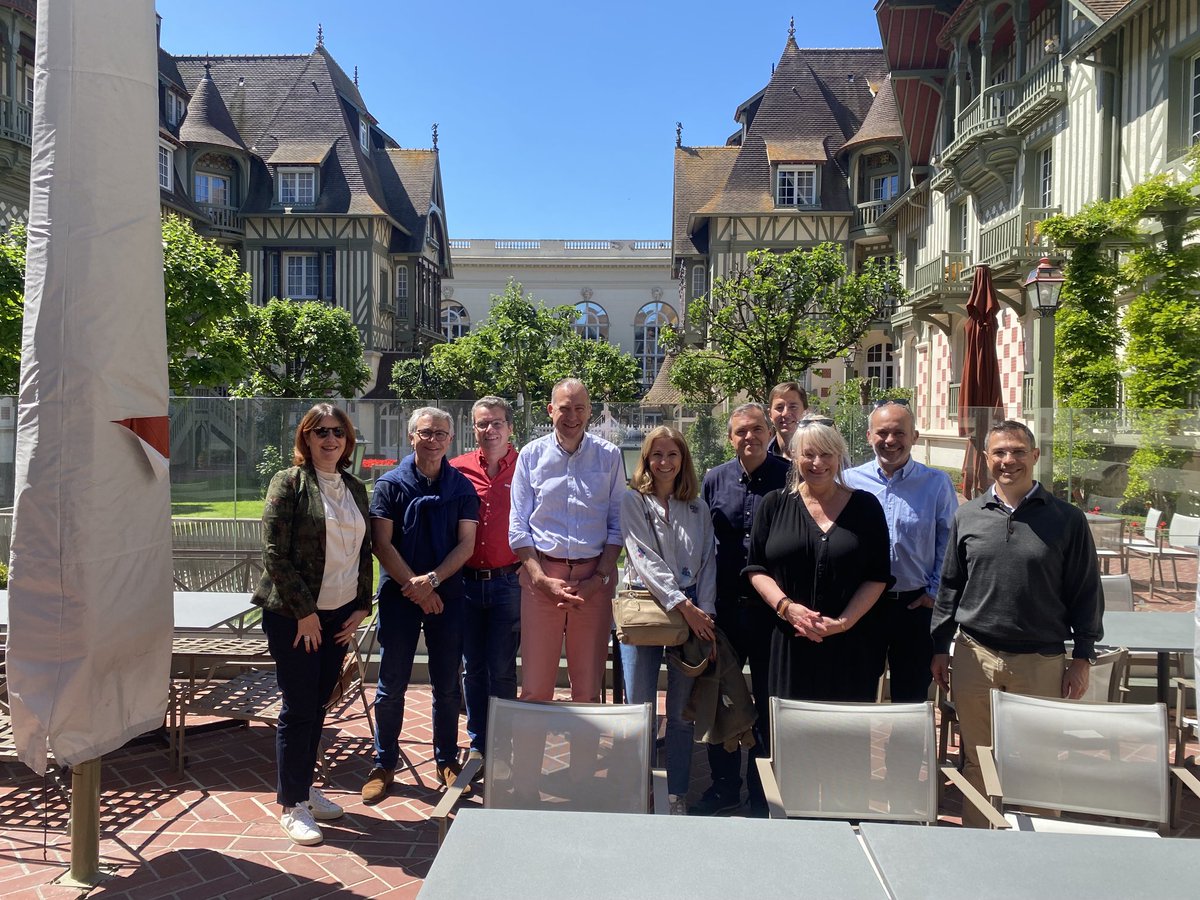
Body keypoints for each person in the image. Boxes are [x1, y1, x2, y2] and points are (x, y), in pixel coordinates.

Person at [931, 419, 1103, 826]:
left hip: (1040, 662)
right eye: (1000, 453)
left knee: (1039, 764)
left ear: (1035, 457)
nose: (1009, 461)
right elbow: (950, 586)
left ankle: (1038, 854)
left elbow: (1085, 592)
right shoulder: (968, 515)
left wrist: (1082, 657)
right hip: (975, 657)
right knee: (977, 760)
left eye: (1018, 452)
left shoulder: (1066, 519)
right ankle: (980, 845)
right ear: (987, 459)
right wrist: (939, 646)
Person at [254, 403, 373, 845]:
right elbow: (273, 553)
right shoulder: (288, 483)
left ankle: (303, 787)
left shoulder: (355, 487)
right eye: (320, 431)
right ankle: (292, 803)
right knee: (300, 706)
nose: (329, 439)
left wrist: (362, 605)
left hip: (339, 616)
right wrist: (305, 613)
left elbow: (364, 552)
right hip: (295, 617)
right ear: (305, 437)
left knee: (318, 705)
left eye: (337, 432)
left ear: (347, 440)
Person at [362, 408, 479, 805]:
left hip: (446, 594)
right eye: (426, 433)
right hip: (399, 594)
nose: (434, 440)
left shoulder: (461, 487)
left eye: (441, 433)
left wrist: (431, 583)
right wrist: (414, 585)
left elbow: (467, 544)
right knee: (391, 684)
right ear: (411, 436)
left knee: (447, 684)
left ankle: (446, 759)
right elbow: (381, 543)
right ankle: (384, 761)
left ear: (451, 440)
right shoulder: (389, 485)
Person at [746, 420, 891, 702]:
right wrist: (787, 608)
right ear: (794, 457)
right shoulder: (774, 505)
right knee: (792, 737)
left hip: (850, 648)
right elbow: (756, 569)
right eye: (808, 454)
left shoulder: (866, 508)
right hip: (790, 643)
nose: (817, 462)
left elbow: (878, 576)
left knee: (843, 738)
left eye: (826, 454)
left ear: (839, 457)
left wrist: (842, 623)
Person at [692, 403, 789, 817]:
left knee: (770, 702)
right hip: (725, 610)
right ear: (729, 438)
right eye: (739, 432)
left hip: (774, 613)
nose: (748, 438)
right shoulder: (715, 479)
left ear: (769, 432)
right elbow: (700, 541)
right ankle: (725, 786)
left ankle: (763, 791)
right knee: (721, 701)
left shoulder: (790, 476)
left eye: (755, 430)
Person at [619, 427, 717, 815]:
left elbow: (709, 558)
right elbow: (641, 559)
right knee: (639, 710)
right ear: (646, 459)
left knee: (680, 715)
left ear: (683, 460)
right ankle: (637, 790)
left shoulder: (697, 507)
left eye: (672, 454)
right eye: (656, 455)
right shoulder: (633, 501)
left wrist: (704, 608)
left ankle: (675, 794)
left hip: (693, 614)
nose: (664, 462)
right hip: (647, 610)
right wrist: (684, 606)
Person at [508, 378, 623, 703]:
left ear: (589, 412)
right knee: (535, 688)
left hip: (594, 583)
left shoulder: (609, 457)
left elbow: (617, 525)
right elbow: (518, 526)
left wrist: (599, 578)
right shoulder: (531, 456)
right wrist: (540, 579)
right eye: (564, 408)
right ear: (550, 410)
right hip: (542, 580)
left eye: (579, 409)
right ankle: (533, 755)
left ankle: (582, 756)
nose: (571, 416)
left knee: (587, 690)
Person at [843, 399, 957, 702]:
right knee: (856, 693)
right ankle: (856, 752)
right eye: (882, 433)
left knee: (911, 697)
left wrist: (934, 592)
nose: (890, 441)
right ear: (869, 436)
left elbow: (949, 542)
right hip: (861, 608)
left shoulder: (936, 483)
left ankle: (904, 752)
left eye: (899, 433)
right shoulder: (849, 482)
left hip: (914, 608)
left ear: (915, 437)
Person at [449, 396, 521, 760]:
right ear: (473, 428)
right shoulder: (457, 469)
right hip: (465, 583)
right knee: (472, 669)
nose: (489, 430)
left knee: (503, 669)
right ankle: (479, 744)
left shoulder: (526, 468)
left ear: (510, 427)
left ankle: (504, 744)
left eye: (496, 423)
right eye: (482, 424)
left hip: (510, 583)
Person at [766, 382, 808, 460]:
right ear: (770, 414)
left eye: (793, 407)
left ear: (805, 413)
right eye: (779, 407)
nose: (785, 413)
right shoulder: (761, 459)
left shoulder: (821, 456)